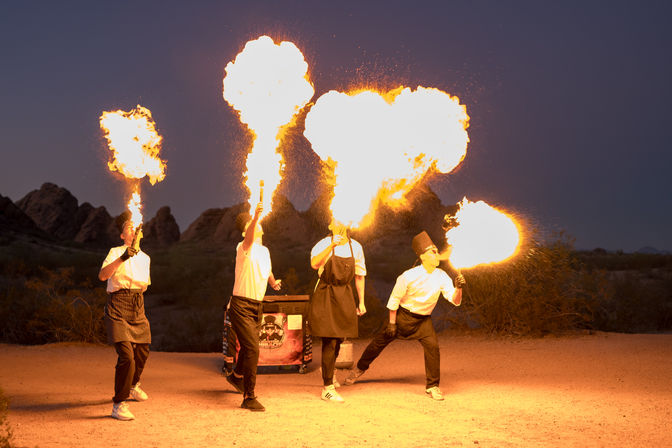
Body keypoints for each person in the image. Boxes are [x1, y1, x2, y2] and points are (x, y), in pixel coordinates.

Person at [344, 231, 465, 401]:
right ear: (423, 256)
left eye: (437, 251)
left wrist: (458, 288)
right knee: (378, 343)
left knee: (433, 348)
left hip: (423, 321)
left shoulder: (442, 276)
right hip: (402, 317)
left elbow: (455, 301)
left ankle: (433, 386)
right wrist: (392, 324)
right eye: (433, 251)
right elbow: (394, 298)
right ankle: (358, 369)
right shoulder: (408, 276)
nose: (437, 254)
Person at [226, 202, 282, 412]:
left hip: (256, 306)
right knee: (252, 348)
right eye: (250, 224)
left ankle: (236, 376)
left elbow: (267, 270)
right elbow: (249, 238)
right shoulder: (243, 247)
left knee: (248, 348)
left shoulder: (265, 250)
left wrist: (273, 282)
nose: (257, 225)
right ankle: (249, 396)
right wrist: (255, 218)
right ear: (245, 231)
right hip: (240, 305)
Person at [98, 219, 151, 421]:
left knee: (143, 349)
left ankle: (132, 385)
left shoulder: (146, 258)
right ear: (123, 236)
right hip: (117, 304)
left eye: (137, 226)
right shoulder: (115, 251)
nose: (135, 228)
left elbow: (144, 286)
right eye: (129, 227)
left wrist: (136, 300)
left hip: (137, 304)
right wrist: (122, 257)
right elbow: (103, 276)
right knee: (127, 356)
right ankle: (118, 404)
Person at [309, 220, 366, 403]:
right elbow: (314, 264)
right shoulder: (324, 244)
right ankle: (327, 388)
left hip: (345, 294)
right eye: (335, 221)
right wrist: (332, 244)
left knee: (339, 338)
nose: (338, 224)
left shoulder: (355, 247)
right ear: (330, 227)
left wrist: (362, 301)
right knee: (330, 339)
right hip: (326, 293)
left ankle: (329, 371)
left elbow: (359, 276)